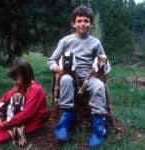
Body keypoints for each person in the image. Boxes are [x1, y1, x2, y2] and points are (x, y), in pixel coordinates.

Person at [47, 5, 109, 148]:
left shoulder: (95, 42)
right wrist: (58, 68)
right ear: (73, 23)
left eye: (86, 21)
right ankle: (65, 124)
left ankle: (98, 130)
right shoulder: (66, 41)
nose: (83, 24)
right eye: (79, 21)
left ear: (91, 24)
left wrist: (102, 70)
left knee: (99, 86)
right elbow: (51, 60)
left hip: (89, 77)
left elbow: (104, 60)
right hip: (71, 74)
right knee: (66, 80)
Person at [0, 58, 48, 144]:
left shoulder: (35, 90)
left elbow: (27, 114)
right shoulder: (19, 88)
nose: (13, 82)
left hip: (32, 122)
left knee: (1, 132)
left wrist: (7, 123)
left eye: (16, 79)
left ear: (26, 76)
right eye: (13, 79)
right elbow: (2, 101)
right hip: (16, 120)